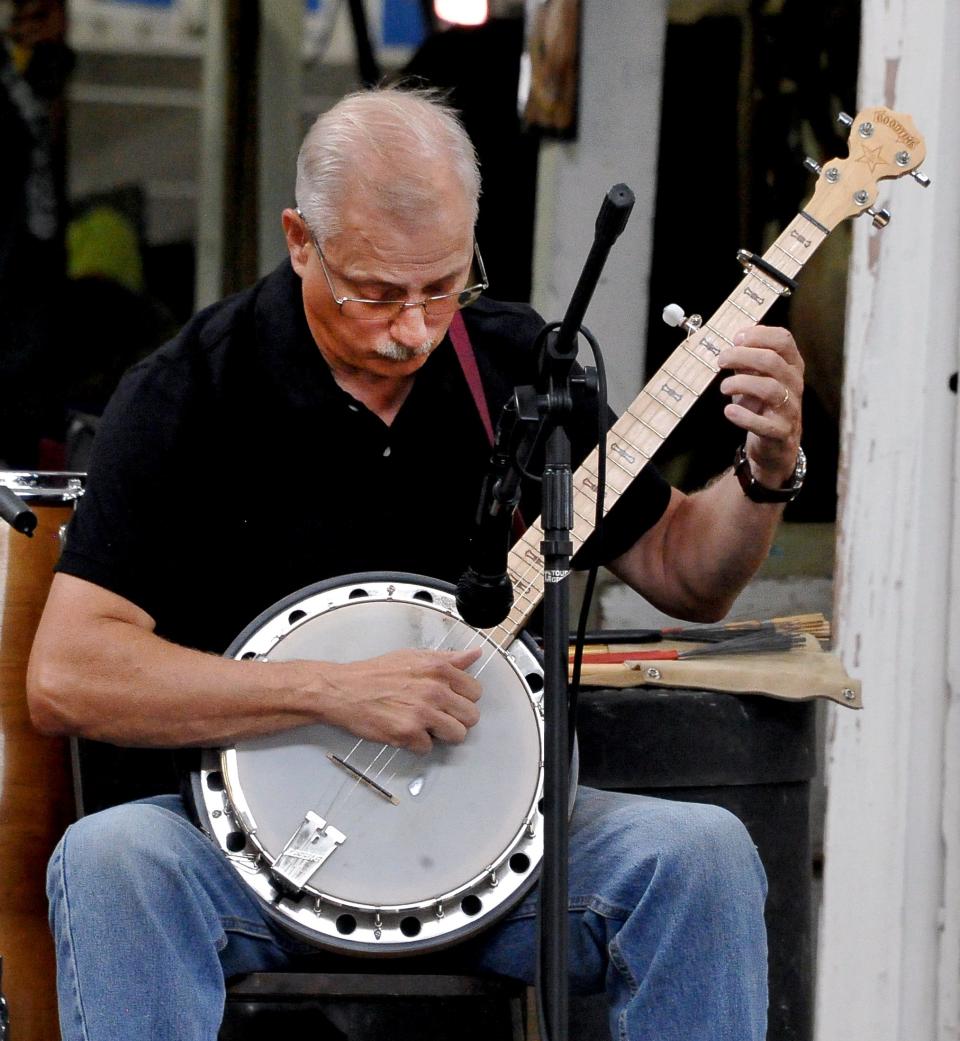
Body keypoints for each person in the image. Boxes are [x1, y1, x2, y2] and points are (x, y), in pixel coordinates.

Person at [27, 87, 805, 1041]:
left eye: (442, 287)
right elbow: (67, 674)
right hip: (245, 850)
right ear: (301, 240)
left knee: (700, 853)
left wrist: (766, 472)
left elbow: (688, 571)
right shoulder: (192, 392)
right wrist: (331, 691)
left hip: (499, 845)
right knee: (112, 858)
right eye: (378, 292)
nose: (413, 328)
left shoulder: (525, 369)